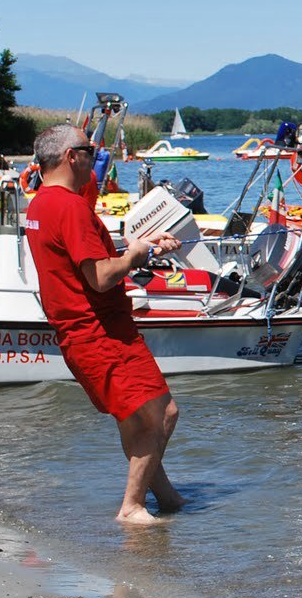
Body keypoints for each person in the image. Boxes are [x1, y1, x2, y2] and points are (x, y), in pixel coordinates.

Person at [24, 123, 185, 525]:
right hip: (100, 331)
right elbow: (100, 277)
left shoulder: (41, 204)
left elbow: (81, 259)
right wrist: (134, 256)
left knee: (134, 418)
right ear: (70, 156)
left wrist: (142, 247)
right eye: (90, 149)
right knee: (163, 414)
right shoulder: (70, 205)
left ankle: (164, 496)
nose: (95, 156)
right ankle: (131, 507)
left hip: (79, 333)